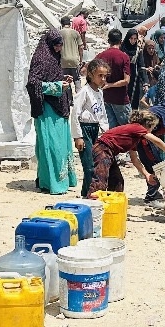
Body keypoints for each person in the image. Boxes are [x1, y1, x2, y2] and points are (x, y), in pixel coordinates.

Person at [26, 28, 77, 195]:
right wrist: (56, 86)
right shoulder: (40, 59)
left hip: (58, 108)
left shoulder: (54, 58)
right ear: (49, 44)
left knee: (61, 145)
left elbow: (50, 77)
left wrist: (62, 80)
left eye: (61, 45)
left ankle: (60, 180)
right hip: (47, 109)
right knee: (51, 146)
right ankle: (51, 183)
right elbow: (33, 84)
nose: (59, 48)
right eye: (56, 45)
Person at [87, 110, 165, 195]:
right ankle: (92, 202)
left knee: (117, 180)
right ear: (148, 125)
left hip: (108, 151)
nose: (152, 130)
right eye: (152, 127)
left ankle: (112, 203)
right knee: (100, 179)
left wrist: (147, 175)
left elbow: (134, 159)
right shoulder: (137, 128)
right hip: (103, 148)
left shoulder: (134, 137)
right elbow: (157, 141)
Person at [72, 58, 109, 198]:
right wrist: (78, 136)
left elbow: (102, 115)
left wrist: (106, 131)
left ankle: (86, 193)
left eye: (105, 76)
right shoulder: (84, 91)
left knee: (96, 163)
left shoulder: (99, 92)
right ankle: (88, 195)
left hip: (96, 130)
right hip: (85, 129)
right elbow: (75, 113)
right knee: (89, 166)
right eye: (100, 75)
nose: (103, 79)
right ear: (91, 74)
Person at [101, 28, 134, 129]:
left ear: (109, 41)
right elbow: (126, 80)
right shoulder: (124, 57)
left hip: (106, 98)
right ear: (121, 41)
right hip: (120, 99)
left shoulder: (102, 55)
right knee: (127, 129)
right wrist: (110, 85)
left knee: (112, 130)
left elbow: (85, 70)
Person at [59, 15, 83, 80]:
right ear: (70, 23)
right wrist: (81, 60)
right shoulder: (76, 33)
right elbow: (81, 47)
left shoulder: (59, 33)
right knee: (77, 80)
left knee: (65, 82)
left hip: (63, 61)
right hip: (74, 61)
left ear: (61, 24)